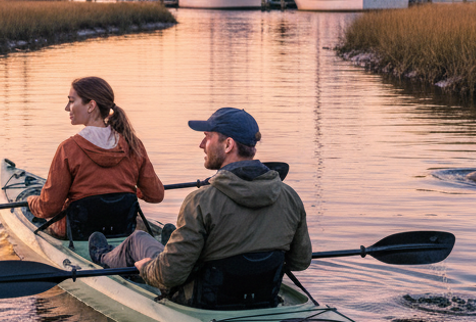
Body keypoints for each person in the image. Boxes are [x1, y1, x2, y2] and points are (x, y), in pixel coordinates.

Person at [92, 107, 311, 308]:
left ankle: (102, 257)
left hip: (203, 302)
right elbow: (300, 261)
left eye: (207, 137)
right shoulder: (290, 196)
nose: (201, 145)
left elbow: (169, 277)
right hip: (263, 295)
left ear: (228, 145)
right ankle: (173, 243)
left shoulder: (201, 201)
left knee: (138, 239)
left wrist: (147, 268)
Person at [26, 77, 164, 239]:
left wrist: (31, 201)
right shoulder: (134, 145)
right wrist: (131, 188)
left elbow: (49, 208)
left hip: (78, 235)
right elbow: (155, 195)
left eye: (71, 101)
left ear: (91, 106)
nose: (66, 108)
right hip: (121, 229)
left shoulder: (68, 149)